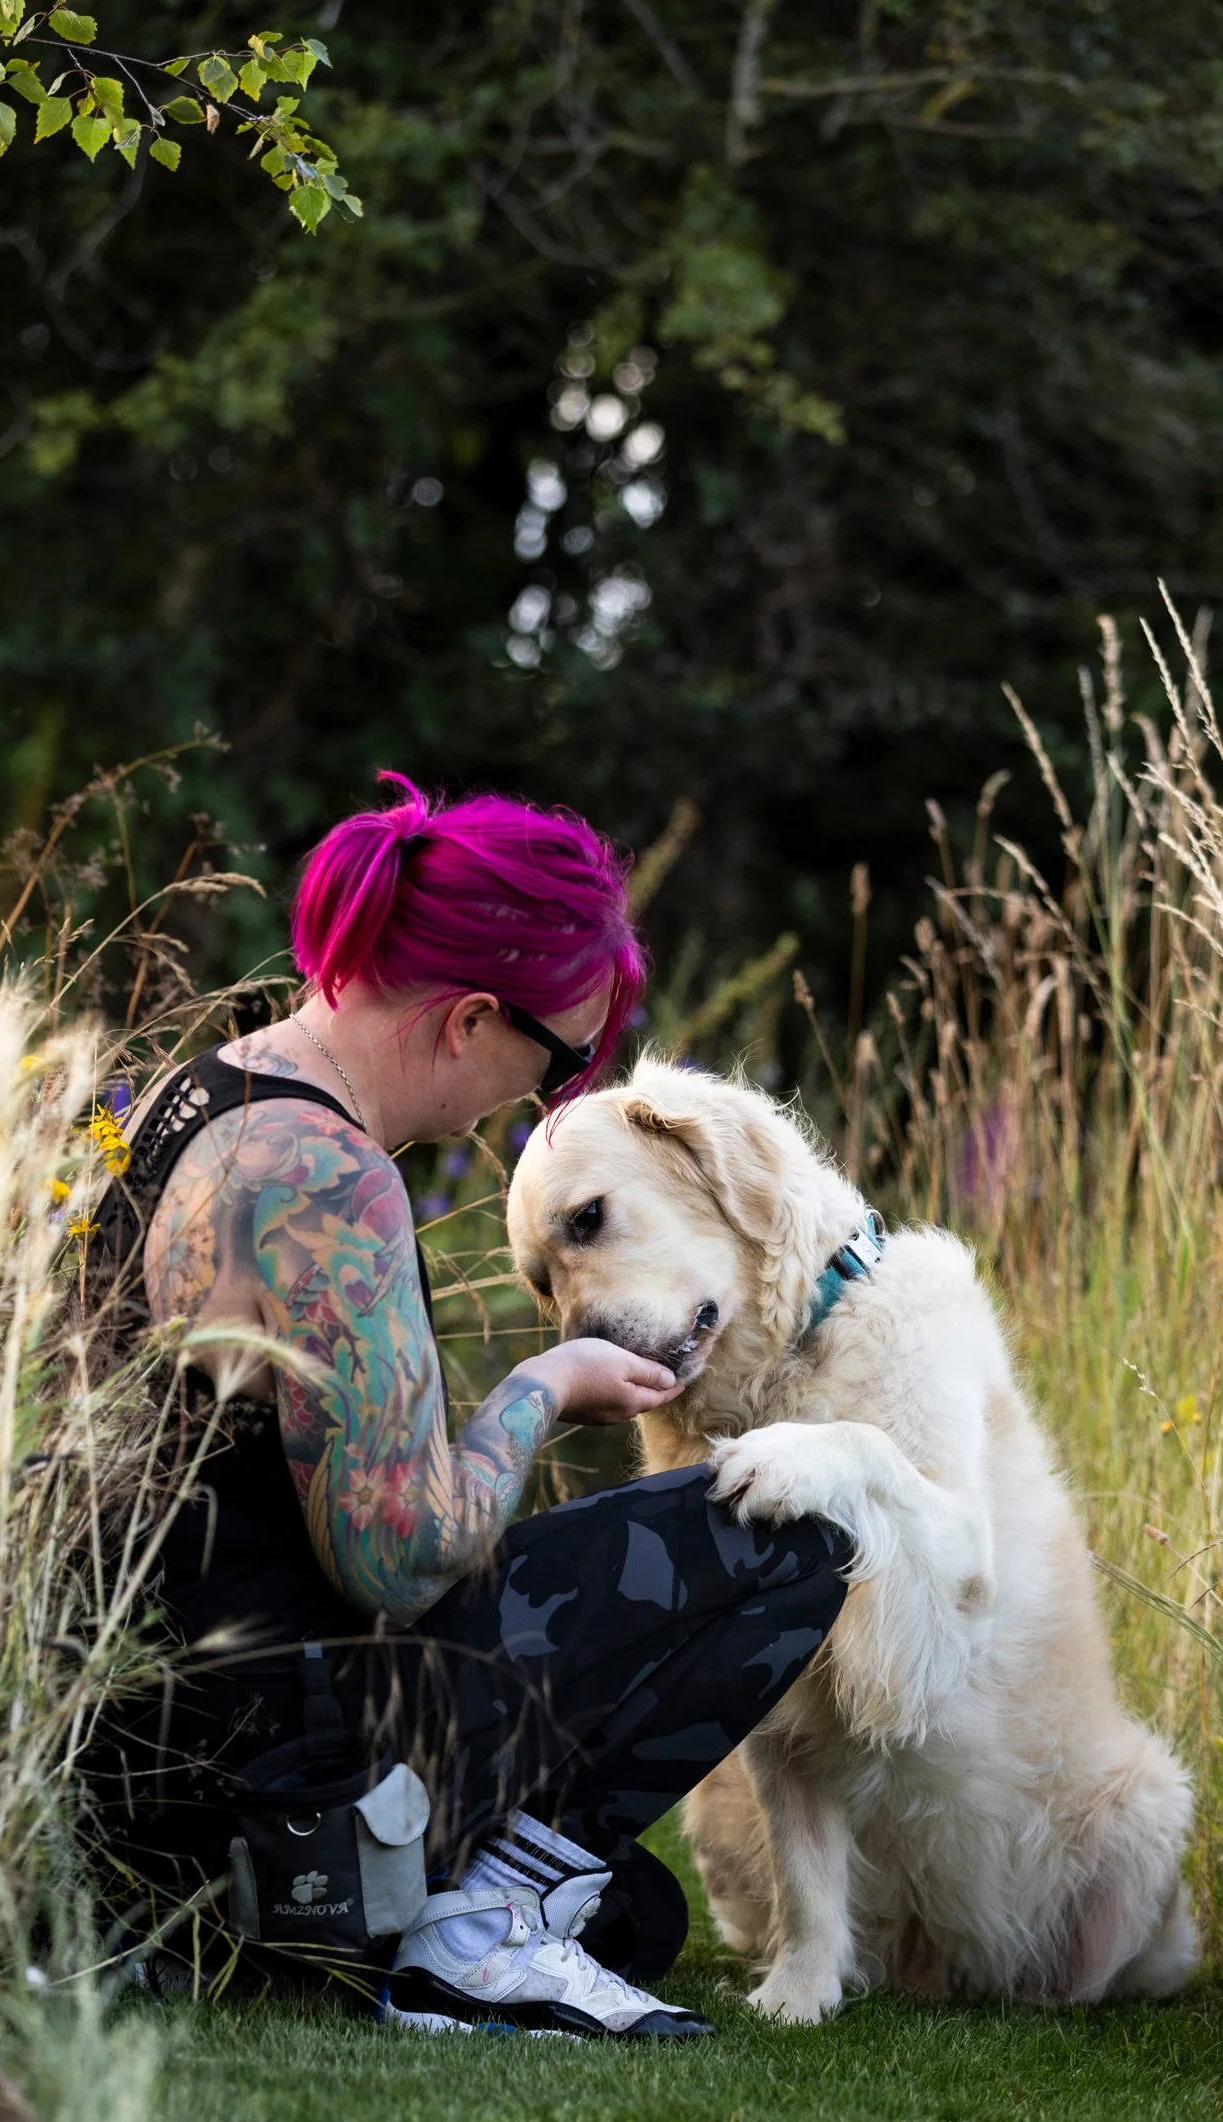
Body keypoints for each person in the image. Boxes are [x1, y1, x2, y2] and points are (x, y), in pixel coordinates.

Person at [92, 774, 848, 2041]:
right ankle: (461, 1932)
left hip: (140, 1747)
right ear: (471, 1019)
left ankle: (398, 1909)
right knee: (796, 1535)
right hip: (282, 1756)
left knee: (637, 1920)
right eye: (554, 1068)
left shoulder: (169, 1104)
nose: (533, 1109)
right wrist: (546, 1385)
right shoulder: (328, 1175)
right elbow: (395, 1558)